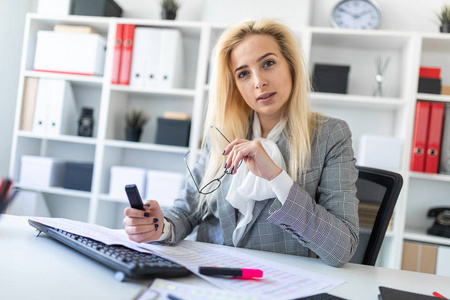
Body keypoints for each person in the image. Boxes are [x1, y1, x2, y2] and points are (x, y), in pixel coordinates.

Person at [123, 19, 359, 267]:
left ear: (291, 67)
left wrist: (277, 178)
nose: (258, 82)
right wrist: (160, 227)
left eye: (268, 63)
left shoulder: (331, 134)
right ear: (235, 85)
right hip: (209, 273)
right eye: (243, 73)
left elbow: (342, 249)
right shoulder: (223, 133)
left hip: (278, 280)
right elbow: (188, 209)